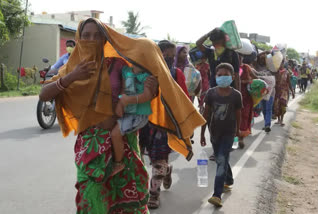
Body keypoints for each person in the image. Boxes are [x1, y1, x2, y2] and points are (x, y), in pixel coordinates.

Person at [39, 18, 205, 213]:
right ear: (79, 39)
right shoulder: (71, 68)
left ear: (105, 40)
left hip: (123, 141)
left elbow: (137, 88)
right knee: (92, 198)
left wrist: (148, 92)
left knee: (126, 200)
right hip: (91, 145)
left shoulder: (117, 65)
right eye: (86, 36)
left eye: (97, 35)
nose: (91, 40)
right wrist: (72, 77)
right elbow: (44, 94)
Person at [139, 40, 190, 209]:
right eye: (165, 54)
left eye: (171, 55)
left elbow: (184, 101)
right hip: (142, 123)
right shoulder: (140, 73)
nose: (168, 58)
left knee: (159, 159)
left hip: (163, 125)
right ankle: (166, 171)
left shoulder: (176, 74)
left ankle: (154, 194)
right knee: (142, 159)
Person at [200, 63, 242, 207]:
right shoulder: (211, 93)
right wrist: (202, 134)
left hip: (229, 134)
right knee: (221, 159)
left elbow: (238, 115)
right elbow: (206, 114)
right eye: (219, 75)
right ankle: (228, 180)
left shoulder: (236, 95)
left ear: (233, 76)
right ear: (215, 76)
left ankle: (217, 195)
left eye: (226, 74)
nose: (223, 77)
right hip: (214, 133)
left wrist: (238, 134)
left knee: (222, 159)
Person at [110, 63, 153, 175]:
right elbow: (123, 90)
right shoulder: (126, 71)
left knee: (115, 134)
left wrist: (128, 100)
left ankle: (118, 163)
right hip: (128, 112)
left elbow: (147, 95)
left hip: (138, 115)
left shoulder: (148, 75)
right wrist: (121, 103)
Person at [238, 54, 257, 148]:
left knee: (244, 117)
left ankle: (241, 138)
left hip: (246, 97)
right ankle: (234, 138)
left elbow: (255, 78)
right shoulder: (231, 67)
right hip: (234, 96)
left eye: (240, 56)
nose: (239, 58)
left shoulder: (246, 67)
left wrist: (247, 81)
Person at [254, 51, 275, 133]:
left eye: (265, 59)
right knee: (264, 109)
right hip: (261, 91)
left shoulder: (270, 67)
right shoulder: (256, 66)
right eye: (262, 59)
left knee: (269, 108)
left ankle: (267, 125)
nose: (263, 60)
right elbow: (255, 56)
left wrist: (269, 55)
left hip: (270, 92)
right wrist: (265, 52)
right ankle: (266, 123)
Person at [274, 61, 295, 126]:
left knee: (283, 105)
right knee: (277, 106)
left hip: (284, 92)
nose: (280, 65)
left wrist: (292, 92)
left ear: (283, 64)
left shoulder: (287, 73)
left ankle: (282, 120)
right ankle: (278, 119)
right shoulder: (276, 72)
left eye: (281, 64)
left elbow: (289, 83)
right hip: (277, 91)